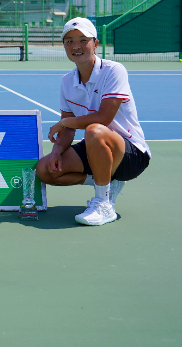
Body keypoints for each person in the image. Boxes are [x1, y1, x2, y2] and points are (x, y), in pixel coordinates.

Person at [36, 17, 150, 226]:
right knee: (45, 170)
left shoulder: (114, 70)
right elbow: (68, 129)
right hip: (96, 148)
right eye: (69, 41)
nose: (76, 46)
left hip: (131, 154)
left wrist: (63, 124)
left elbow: (103, 118)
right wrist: (55, 152)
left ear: (95, 44)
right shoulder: (67, 81)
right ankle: (106, 182)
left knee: (94, 130)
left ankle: (103, 204)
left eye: (83, 40)